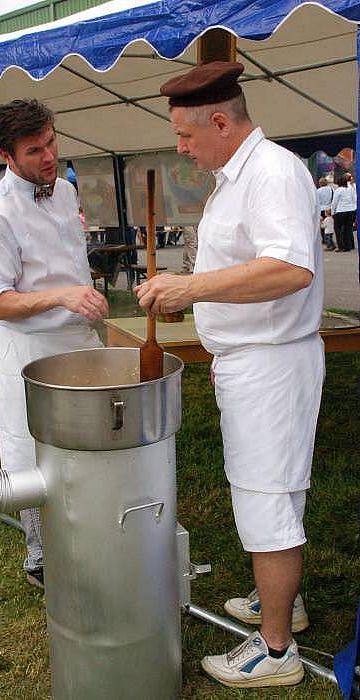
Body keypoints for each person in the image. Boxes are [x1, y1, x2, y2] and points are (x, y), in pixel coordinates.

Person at [135, 61, 324, 689]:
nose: (181, 148)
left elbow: (289, 267)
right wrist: (217, 336)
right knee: (270, 490)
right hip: (254, 360)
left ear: (220, 122)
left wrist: (190, 286)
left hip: (272, 365)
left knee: (265, 496)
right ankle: (284, 605)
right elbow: (244, 266)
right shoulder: (236, 175)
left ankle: (274, 651)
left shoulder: (269, 172)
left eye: (187, 137)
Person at [0, 99, 108, 589]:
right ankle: (40, 557)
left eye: (50, 142)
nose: (48, 156)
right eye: (33, 151)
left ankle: (95, 531)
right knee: (30, 452)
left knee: (94, 437)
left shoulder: (64, 191)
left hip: (79, 339)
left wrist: (81, 294)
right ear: (7, 156)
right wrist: (62, 295)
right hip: (27, 348)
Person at [332, 173, 356, 251]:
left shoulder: (338, 190)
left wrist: (333, 212)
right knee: (348, 229)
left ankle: (341, 246)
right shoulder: (350, 188)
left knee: (338, 229)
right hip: (351, 211)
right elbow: (354, 199)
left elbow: (334, 202)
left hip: (341, 211)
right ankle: (348, 246)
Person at [316, 176, 334, 243]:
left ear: (320, 183)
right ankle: (329, 239)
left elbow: (317, 201)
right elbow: (333, 198)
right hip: (329, 208)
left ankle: (324, 239)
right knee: (329, 225)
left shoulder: (318, 191)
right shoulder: (331, 189)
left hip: (321, 209)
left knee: (322, 225)